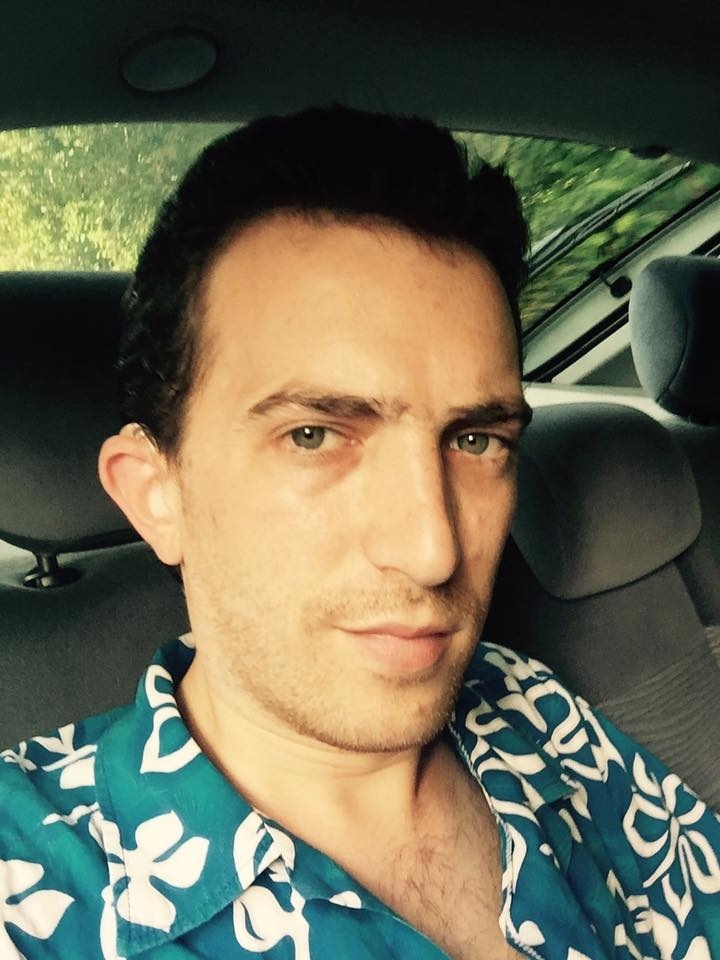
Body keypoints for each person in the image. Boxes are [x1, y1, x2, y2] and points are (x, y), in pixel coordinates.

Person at [1, 106, 718, 960]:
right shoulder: (28, 889)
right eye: (314, 435)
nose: (434, 551)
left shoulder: (529, 703)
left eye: (475, 440)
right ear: (157, 495)